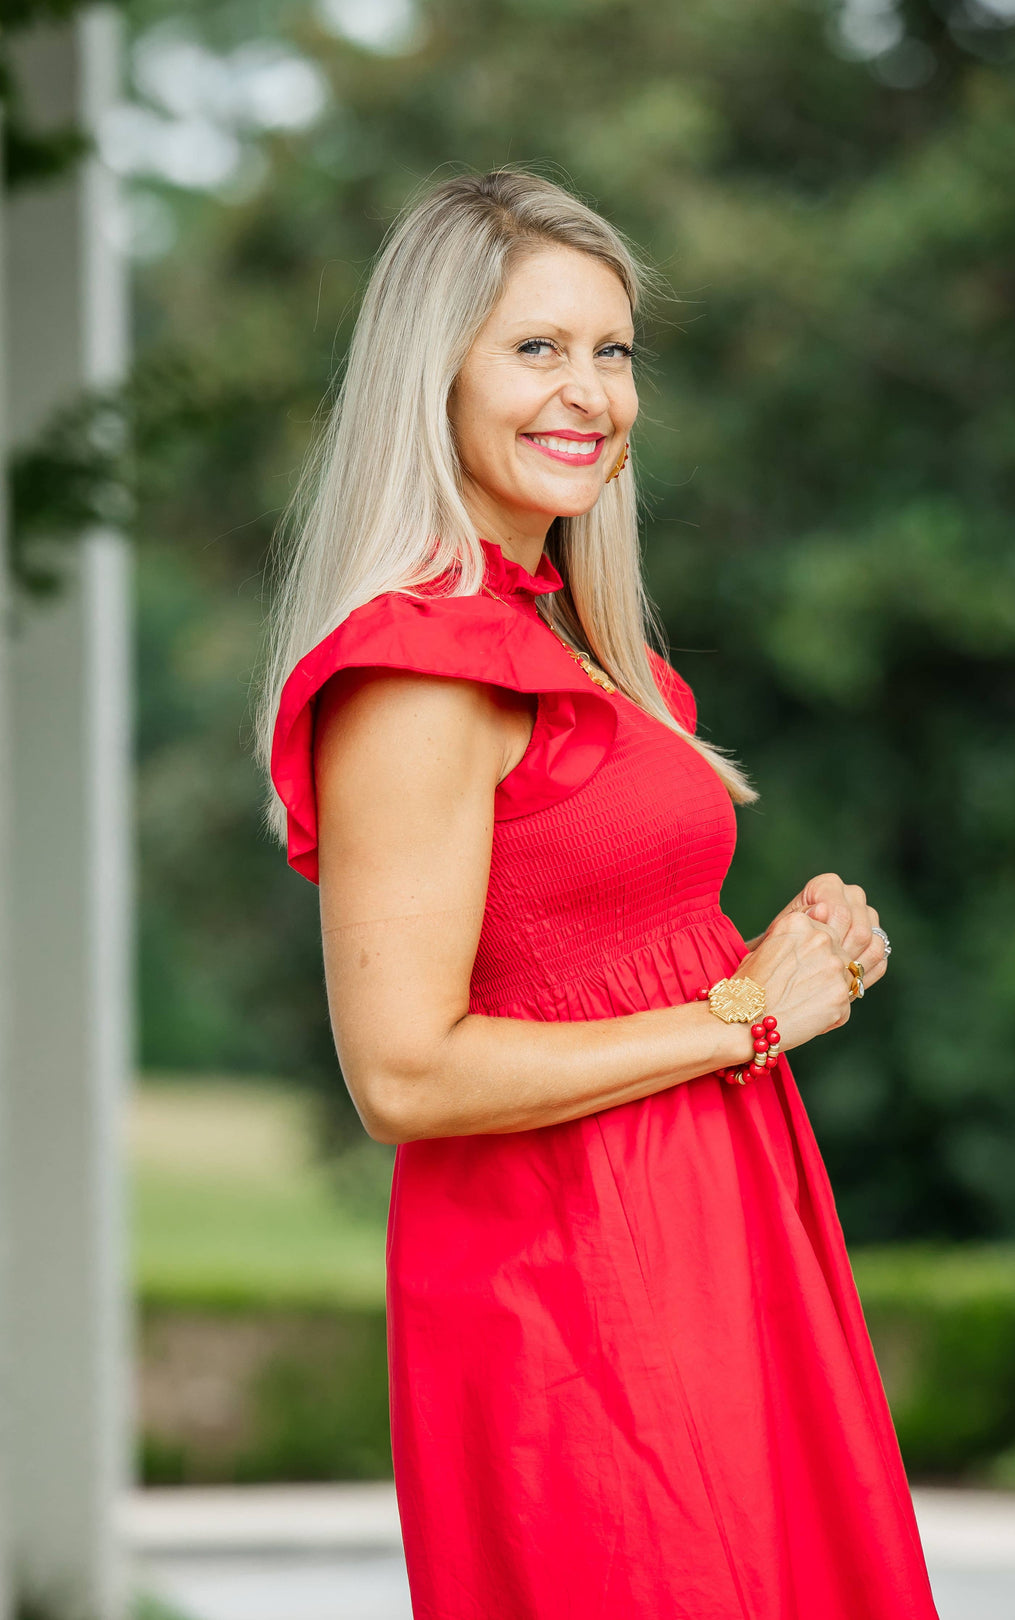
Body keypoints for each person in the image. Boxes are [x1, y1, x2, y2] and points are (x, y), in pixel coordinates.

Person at [257, 169, 938, 1619]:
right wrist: (750, 1013)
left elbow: (602, 950)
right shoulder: (421, 674)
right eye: (535, 348)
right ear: (430, 375)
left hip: (708, 1234)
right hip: (574, 1290)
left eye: (611, 352)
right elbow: (405, 1071)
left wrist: (776, 961)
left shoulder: (571, 649)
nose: (589, 393)